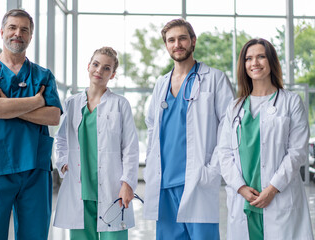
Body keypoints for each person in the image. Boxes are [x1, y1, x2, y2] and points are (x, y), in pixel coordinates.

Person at [0, 9, 62, 240]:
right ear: (2, 32)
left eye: (24, 29)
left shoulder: (43, 75)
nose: (17, 33)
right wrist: (35, 101)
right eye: (12, 28)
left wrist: (9, 107)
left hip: (34, 166)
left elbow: (53, 116)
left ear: (31, 36)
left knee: (35, 235)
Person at [143, 18, 234, 240]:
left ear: (193, 41)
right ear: (166, 45)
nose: (177, 44)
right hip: (164, 181)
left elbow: (230, 127)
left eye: (182, 38)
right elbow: (152, 127)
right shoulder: (161, 84)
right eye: (171, 40)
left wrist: (213, 168)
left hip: (197, 179)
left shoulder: (214, 79)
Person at [218, 38, 314, 240]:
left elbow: (297, 152)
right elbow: (224, 153)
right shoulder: (234, 107)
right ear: (243, 65)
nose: (255, 63)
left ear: (271, 61)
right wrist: (240, 187)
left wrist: (272, 189)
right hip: (245, 197)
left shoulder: (291, 101)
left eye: (261, 56)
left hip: (279, 196)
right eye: (249, 58)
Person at [53, 47, 139, 240]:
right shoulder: (72, 103)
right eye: (96, 64)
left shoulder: (120, 104)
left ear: (113, 74)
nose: (99, 70)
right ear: (88, 66)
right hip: (80, 188)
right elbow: (61, 139)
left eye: (106, 68)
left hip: (112, 188)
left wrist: (127, 184)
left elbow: (131, 148)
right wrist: (63, 163)